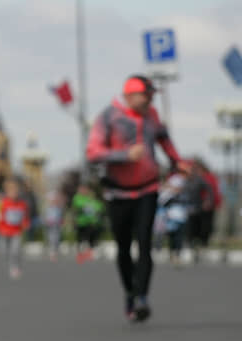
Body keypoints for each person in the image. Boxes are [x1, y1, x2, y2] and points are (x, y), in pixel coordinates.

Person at [86, 74, 185, 322]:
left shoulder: (151, 115)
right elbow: (93, 152)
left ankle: (142, 296)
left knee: (144, 243)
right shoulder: (109, 116)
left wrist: (177, 161)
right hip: (117, 193)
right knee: (123, 247)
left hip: (147, 189)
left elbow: (163, 137)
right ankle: (130, 293)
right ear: (130, 95)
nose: (150, 100)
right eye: (146, 95)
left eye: (152, 96)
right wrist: (124, 154)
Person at [0, 179, 29, 278]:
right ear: (8, 193)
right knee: (3, 251)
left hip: (16, 231)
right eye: (12, 192)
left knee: (15, 250)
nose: (14, 194)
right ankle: (7, 265)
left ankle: (15, 267)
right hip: (4, 231)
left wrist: (25, 223)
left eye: (16, 192)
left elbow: (24, 217)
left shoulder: (22, 204)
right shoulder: (4, 203)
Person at [71, 184, 105, 263]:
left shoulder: (88, 198)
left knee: (90, 238)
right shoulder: (77, 198)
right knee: (80, 238)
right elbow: (77, 208)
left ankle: (88, 254)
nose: (83, 191)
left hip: (89, 222)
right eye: (81, 189)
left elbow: (96, 209)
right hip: (80, 222)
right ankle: (80, 254)